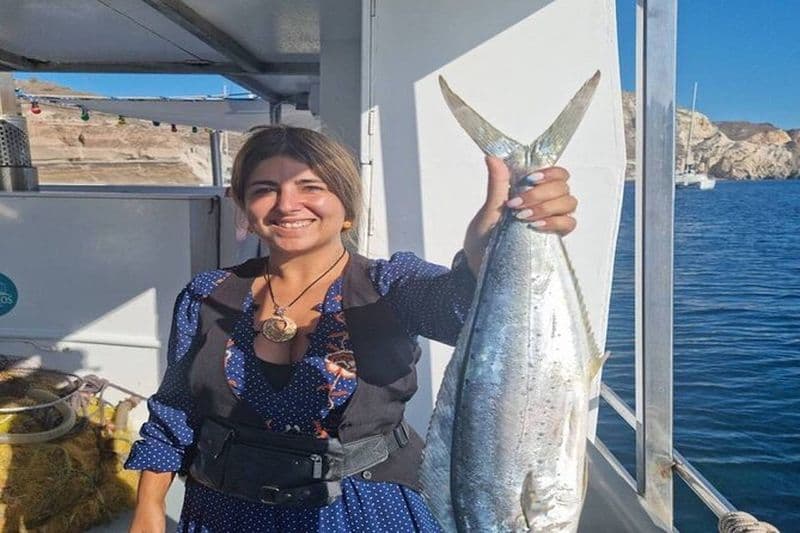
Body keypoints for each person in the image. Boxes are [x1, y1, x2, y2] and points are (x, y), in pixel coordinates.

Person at [126, 125, 578, 532]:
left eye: (310, 186)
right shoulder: (207, 293)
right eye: (266, 189)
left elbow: (460, 308)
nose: (287, 204)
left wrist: (489, 252)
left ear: (345, 205)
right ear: (243, 205)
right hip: (225, 511)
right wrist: (149, 509)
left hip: (366, 510)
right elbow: (175, 410)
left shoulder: (391, 284)